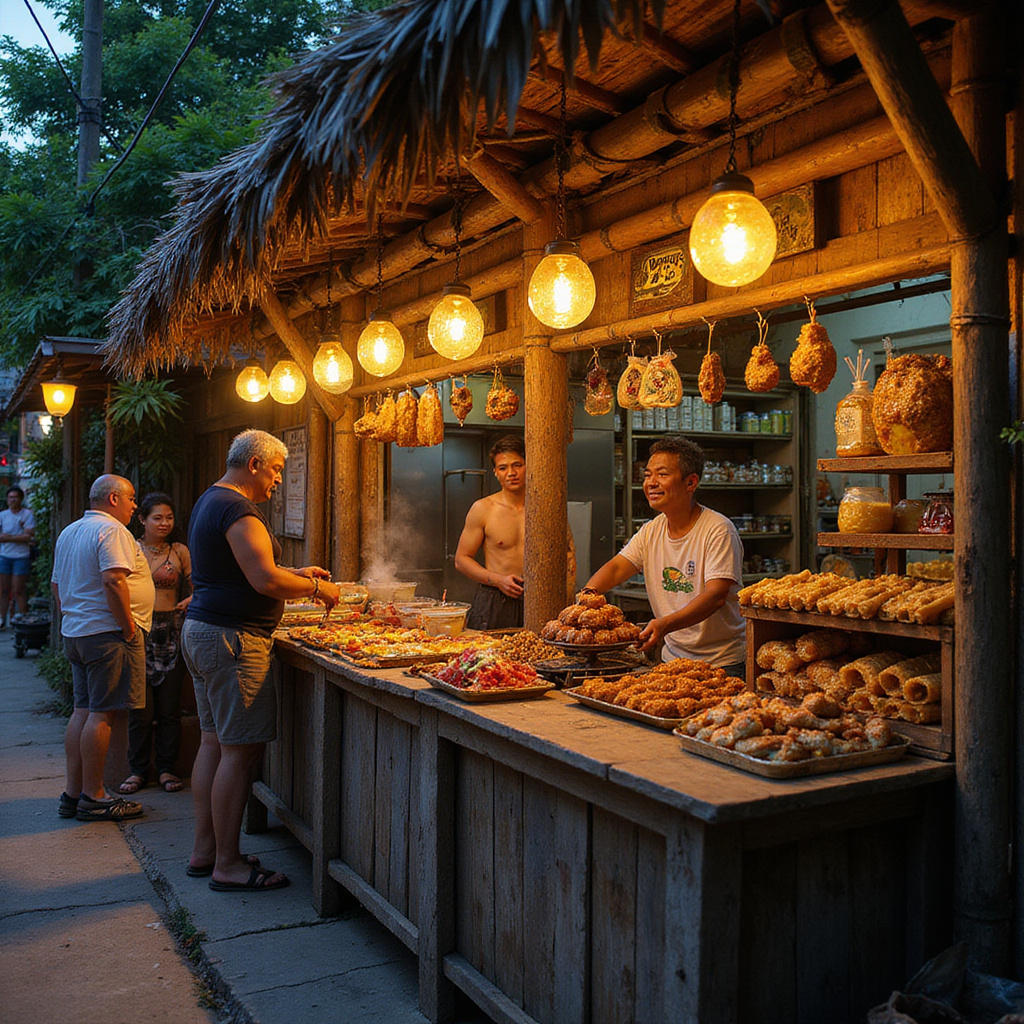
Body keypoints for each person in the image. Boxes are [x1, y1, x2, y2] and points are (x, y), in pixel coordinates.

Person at [182, 429, 339, 892]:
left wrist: (295, 572)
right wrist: (317, 588)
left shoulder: (210, 500)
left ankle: (205, 850)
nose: (278, 480)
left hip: (206, 632)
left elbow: (242, 570)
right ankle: (228, 865)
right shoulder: (238, 509)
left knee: (213, 744)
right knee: (239, 751)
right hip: (233, 641)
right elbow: (264, 581)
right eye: (275, 470)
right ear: (253, 465)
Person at [584, 436, 746, 677]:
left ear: (691, 483)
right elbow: (617, 568)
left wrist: (664, 624)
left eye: (662, 474)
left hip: (722, 662)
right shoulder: (651, 530)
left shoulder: (718, 530)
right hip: (672, 660)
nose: (651, 483)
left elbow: (716, 596)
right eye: (647, 475)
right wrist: (587, 596)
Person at [51, 475, 154, 822]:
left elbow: (56, 585)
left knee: (83, 710)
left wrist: (74, 616)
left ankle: (73, 793)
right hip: (106, 634)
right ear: (113, 499)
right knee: (101, 714)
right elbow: (113, 579)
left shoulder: (70, 531)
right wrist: (127, 626)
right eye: (131, 498)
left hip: (78, 632)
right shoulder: (111, 530)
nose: (134, 506)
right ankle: (94, 796)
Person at [454, 435, 576, 630]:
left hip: (542, 597)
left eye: (517, 465)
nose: (511, 473)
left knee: (544, 649)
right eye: (503, 468)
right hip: (495, 597)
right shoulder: (483, 509)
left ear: (529, 466)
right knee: (490, 650)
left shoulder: (548, 508)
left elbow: (568, 556)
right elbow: (461, 560)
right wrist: (498, 580)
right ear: (495, 472)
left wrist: (567, 597)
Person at [119, 493, 192, 796]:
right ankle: (137, 771)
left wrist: (191, 599)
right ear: (142, 520)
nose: (164, 523)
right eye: (157, 518)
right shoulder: (130, 548)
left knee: (169, 710)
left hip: (171, 631)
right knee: (140, 709)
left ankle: (165, 768)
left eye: (169, 518)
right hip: (138, 631)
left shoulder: (179, 551)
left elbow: (200, 585)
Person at [0, 485, 36, 627]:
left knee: (19, 589)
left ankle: (22, 619)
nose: (13, 500)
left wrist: (8, 537)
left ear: (20, 499)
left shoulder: (27, 514)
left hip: (21, 556)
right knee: (3, 589)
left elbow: (28, 536)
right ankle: (2, 618)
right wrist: (18, 536)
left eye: (15, 497)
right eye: (10, 497)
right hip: (4, 555)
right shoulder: (3, 515)